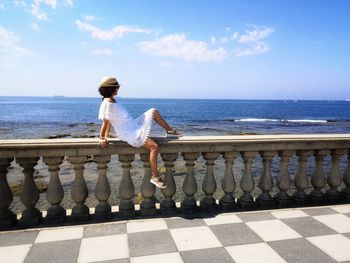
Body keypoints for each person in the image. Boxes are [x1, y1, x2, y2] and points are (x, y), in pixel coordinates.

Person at [97, 76, 181, 188]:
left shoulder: (112, 101)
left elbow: (111, 120)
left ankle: (169, 130)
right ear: (112, 89)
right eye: (117, 87)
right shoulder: (107, 103)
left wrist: (107, 134)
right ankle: (155, 176)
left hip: (132, 125)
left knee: (153, 111)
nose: (118, 89)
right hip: (128, 132)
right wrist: (102, 137)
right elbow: (106, 121)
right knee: (154, 146)